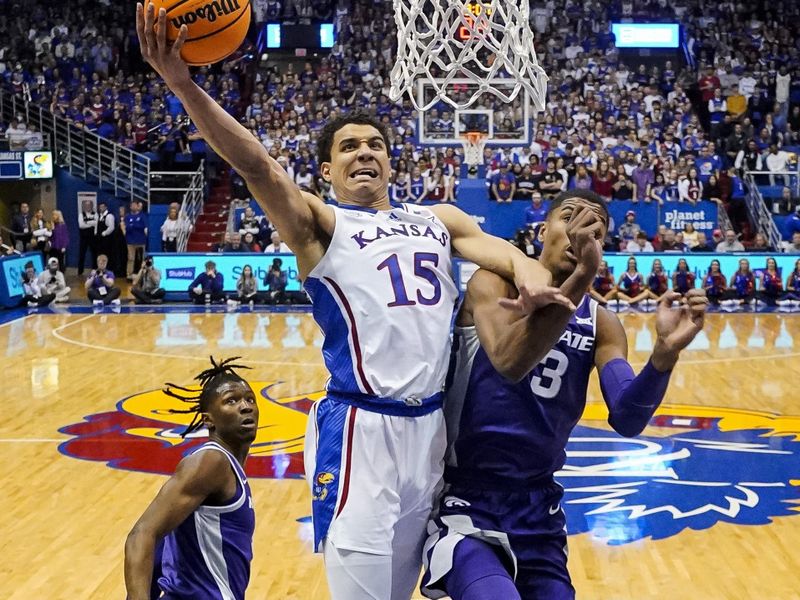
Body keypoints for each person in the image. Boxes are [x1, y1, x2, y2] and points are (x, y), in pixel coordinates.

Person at [138, 9, 565, 597]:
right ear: (326, 168)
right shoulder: (321, 224)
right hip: (361, 428)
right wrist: (182, 83)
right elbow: (257, 165)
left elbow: (499, 251)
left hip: (430, 432)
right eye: (349, 147)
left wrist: (531, 273)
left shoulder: (436, 218)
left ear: (391, 160)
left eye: (376, 145)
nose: (365, 153)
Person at [421, 190, 708, 600]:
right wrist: (582, 278)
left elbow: (627, 418)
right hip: (467, 501)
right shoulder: (493, 282)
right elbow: (508, 359)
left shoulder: (602, 324)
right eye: (569, 217)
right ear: (542, 231)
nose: (580, 231)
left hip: (540, 512)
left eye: (596, 228)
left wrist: (663, 356)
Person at [124, 357, 258, 600]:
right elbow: (142, 534)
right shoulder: (211, 462)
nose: (246, 406)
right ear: (208, 419)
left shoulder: (229, 466)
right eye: (231, 401)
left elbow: (163, 541)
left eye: (250, 399)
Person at [125, 200, 148, 280]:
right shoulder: (127, 216)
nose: (134, 207)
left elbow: (144, 226)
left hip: (141, 241)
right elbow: (127, 228)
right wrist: (137, 225)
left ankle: (143, 274)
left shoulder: (142, 216)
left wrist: (133, 225)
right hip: (130, 241)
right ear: (130, 207)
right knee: (131, 258)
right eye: (132, 205)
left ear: (138, 206)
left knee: (142, 258)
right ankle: (129, 275)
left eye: (135, 205)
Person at [77, 199, 98, 275]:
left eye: (89, 205)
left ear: (91, 206)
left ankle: (95, 270)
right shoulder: (81, 214)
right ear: (84, 206)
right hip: (84, 237)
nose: (87, 206)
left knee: (94, 254)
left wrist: (86, 222)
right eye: (86, 205)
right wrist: (91, 223)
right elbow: (81, 225)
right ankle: (80, 271)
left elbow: (96, 223)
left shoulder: (95, 214)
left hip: (93, 237)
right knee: (82, 254)